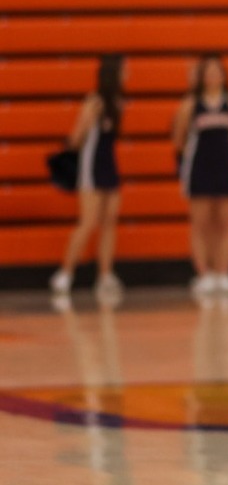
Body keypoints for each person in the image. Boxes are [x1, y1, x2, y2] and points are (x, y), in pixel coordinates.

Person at [171, 54, 228, 303]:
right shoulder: (190, 104)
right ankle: (204, 274)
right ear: (202, 76)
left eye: (218, 71)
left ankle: (223, 272)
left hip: (226, 167)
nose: (213, 75)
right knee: (201, 223)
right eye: (209, 71)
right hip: (199, 168)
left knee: (226, 222)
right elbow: (179, 138)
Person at [51, 55, 128, 301]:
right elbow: (76, 138)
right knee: (88, 222)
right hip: (91, 167)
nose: (128, 74)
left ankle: (105, 275)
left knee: (109, 222)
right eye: (125, 70)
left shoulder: (118, 103)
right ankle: (65, 273)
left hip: (110, 165)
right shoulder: (93, 103)